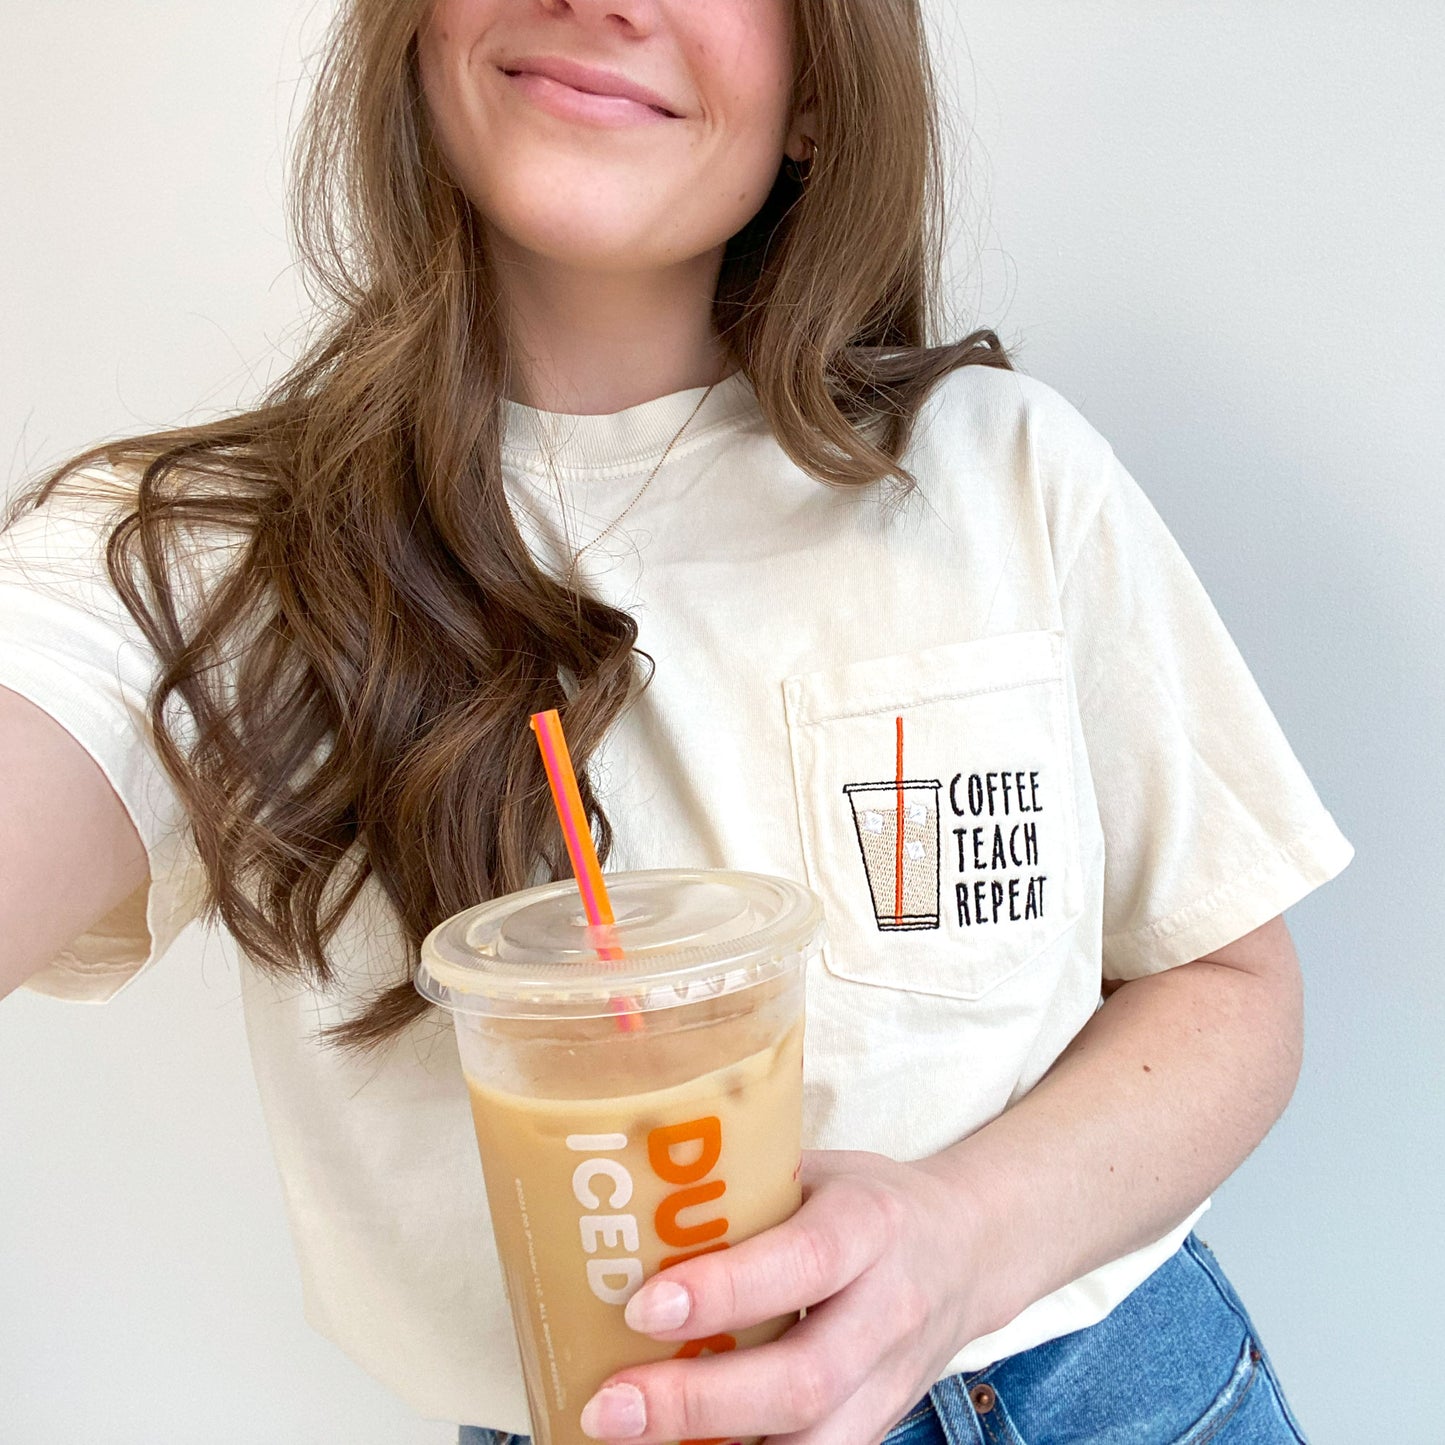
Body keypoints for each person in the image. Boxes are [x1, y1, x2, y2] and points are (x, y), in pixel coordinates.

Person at [0, 0, 1351, 1441]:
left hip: (1114, 1390)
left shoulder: (999, 471)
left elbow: (1225, 985)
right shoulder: (209, 565)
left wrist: (959, 1241)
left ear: (819, 91)